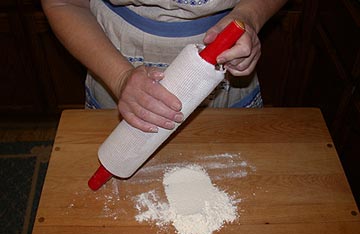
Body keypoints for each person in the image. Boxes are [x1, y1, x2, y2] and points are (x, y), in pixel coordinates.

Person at [42, 0, 287, 133]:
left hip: (228, 67)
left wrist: (250, 16)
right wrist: (120, 77)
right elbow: (63, 3)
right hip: (113, 57)